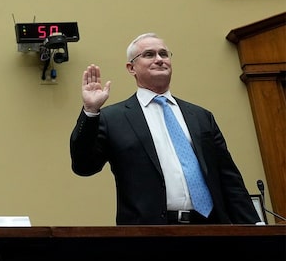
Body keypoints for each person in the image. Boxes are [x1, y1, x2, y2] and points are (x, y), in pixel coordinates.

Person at [69, 32, 259, 225]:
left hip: (211, 226)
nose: (159, 59)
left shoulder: (201, 116)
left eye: (164, 54)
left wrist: (255, 225)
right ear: (131, 68)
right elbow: (84, 166)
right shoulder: (113, 118)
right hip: (151, 232)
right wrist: (91, 111)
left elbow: (229, 177)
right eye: (149, 54)